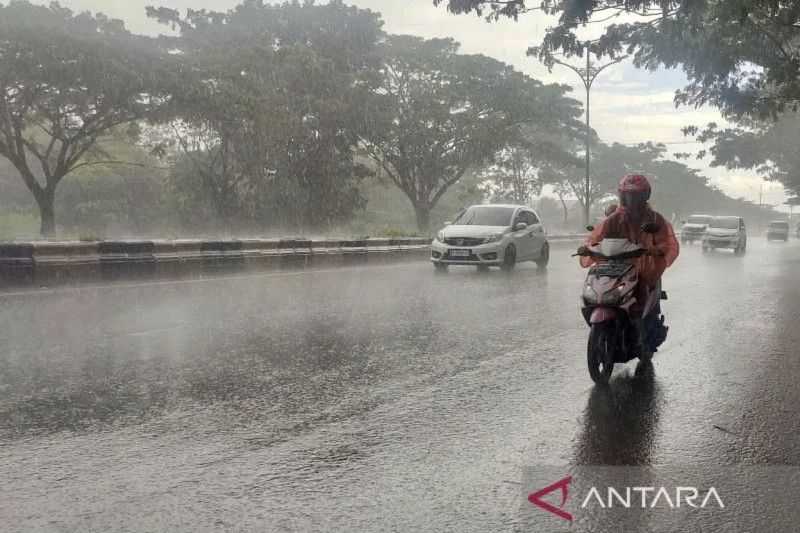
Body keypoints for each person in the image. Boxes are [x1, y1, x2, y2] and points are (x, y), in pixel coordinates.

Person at [578, 174, 680, 352]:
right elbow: (596, 238)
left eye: (636, 196)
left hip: (644, 267)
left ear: (645, 196)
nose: (632, 200)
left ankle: (642, 332)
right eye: (628, 196)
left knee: (641, 294)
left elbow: (666, 242)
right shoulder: (613, 219)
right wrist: (587, 248)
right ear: (622, 196)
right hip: (615, 267)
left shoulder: (655, 220)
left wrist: (656, 249)